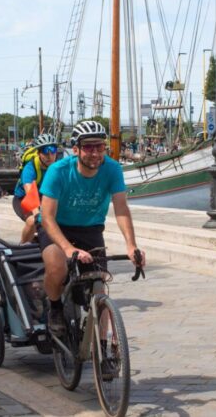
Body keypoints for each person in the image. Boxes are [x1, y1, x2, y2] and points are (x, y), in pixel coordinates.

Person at [38, 120, 146, 336]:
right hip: (58, 228)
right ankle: (55, 306)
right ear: (75, 149)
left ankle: (104, 350)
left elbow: (121, 208)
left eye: (100, 147)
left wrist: (131, 245)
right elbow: (47, 217)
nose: (95, 153)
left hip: (91, 229)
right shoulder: (58, 171)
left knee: (99, 284)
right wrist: (68, 249)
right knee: (57, 266)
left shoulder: (113, 169)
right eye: (88, 147)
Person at [12, 133, 59, 243]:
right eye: (45, 151)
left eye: (52, 150)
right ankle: (22, 246)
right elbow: (30, 193)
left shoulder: (58, 167)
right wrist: (37, 213)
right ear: (38, 153)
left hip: (44, 198)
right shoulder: (30, 168)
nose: (49, 155)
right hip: (24, 199)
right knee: (32, 221)